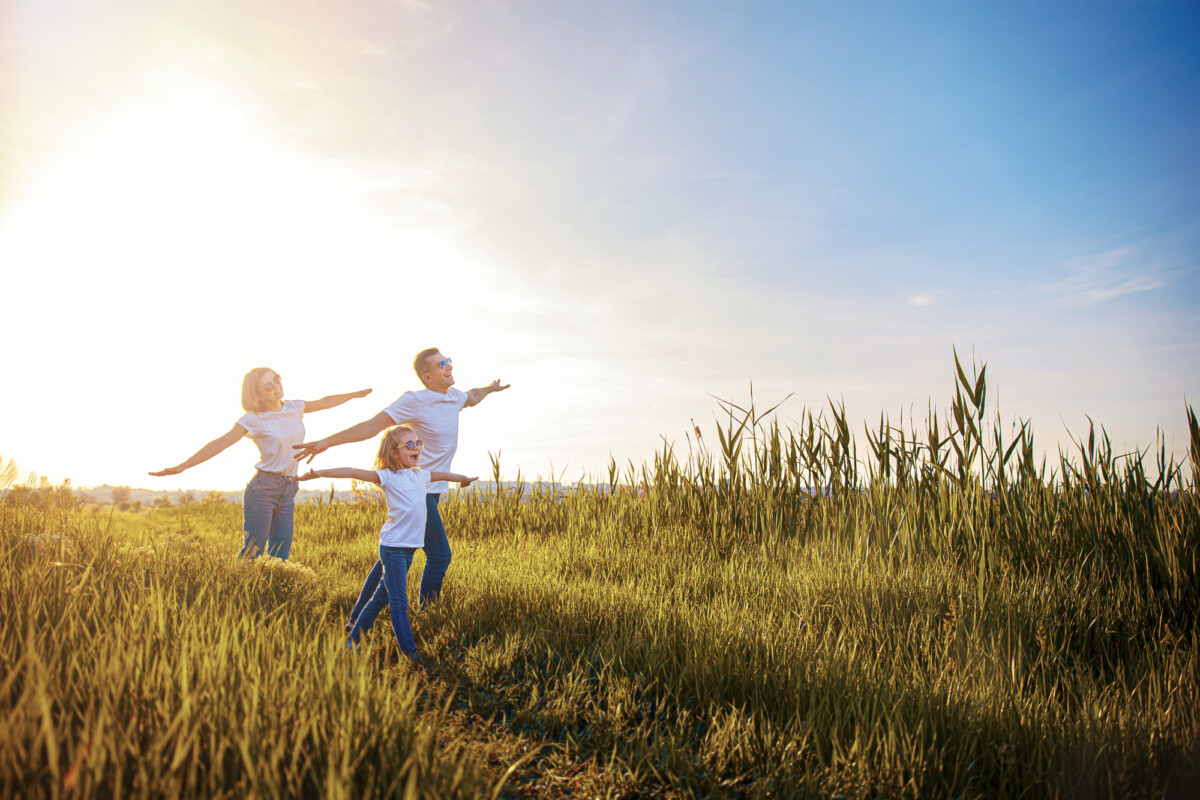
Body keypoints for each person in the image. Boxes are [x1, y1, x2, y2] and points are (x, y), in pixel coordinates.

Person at [294, 348, 507, 615]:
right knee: (440, 556)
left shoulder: (454, 397)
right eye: (442, 364)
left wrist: (490, 388)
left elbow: (473, 397)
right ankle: (428, 616)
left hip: (431, 489)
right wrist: (326, 442)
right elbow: (372, 426)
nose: (449, 366)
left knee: (394, 556)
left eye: (449, 361)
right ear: (428, 377)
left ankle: (357, 616)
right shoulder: (415, 401)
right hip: (415, 490)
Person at [150, 368, 371, 560]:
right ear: (257, 394)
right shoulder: (253, 418)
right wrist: (183, 466)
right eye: (268, 385)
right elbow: (220, 443)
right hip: (263, 489)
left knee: (280, 554)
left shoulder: (294, 407)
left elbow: (325, 401)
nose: (276, 386)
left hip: (289, 488)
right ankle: (241, 599)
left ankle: (270, 599)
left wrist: (353, 395)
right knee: (253, 552)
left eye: (276, 378)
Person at [298, 426, 476, 662]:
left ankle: (351, 643)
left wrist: (462, 479)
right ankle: (411, 655)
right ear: (393, 453)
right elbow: (352, 471)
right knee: (399, 602)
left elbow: (443, 475)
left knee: (380, 599)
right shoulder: (387, 477)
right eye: (409, 445)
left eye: (418, 443)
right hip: (392, 549)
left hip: (408, 549)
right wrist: (319, 473)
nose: (416, 448)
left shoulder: (420, 475)